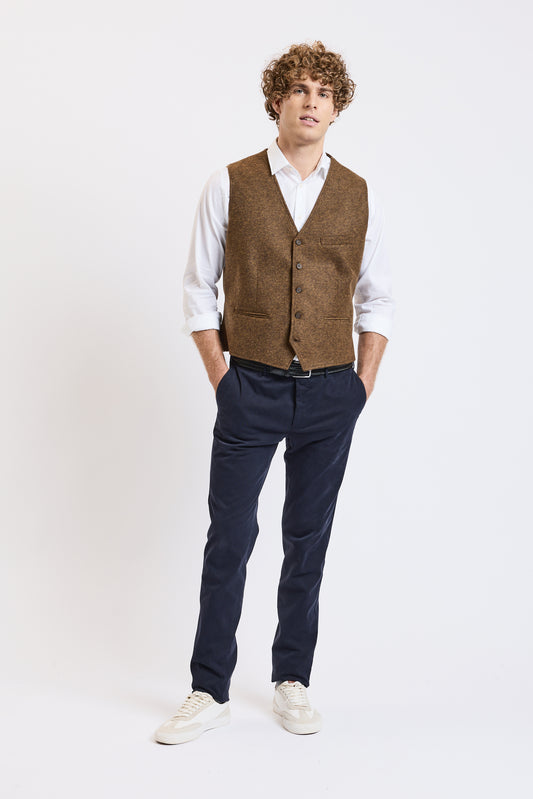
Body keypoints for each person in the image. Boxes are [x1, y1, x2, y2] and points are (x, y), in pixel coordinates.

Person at [154, 40, 394, 745]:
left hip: (332, 390)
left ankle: (292, 678)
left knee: (307, 539)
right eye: (298, 89)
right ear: (277, 101)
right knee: (229, 539)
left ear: (336, 107)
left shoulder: (358, 194)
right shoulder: (229, 183)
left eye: (323, 92)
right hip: (249, 386)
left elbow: (378, 299)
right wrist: (223, 378)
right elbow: (197, 288)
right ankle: (209, 688)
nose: (310, 101)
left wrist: (361, 385)